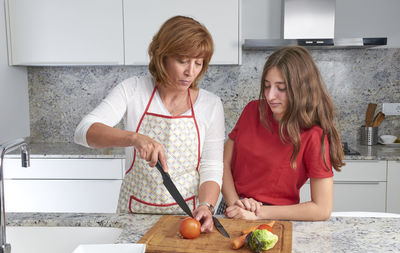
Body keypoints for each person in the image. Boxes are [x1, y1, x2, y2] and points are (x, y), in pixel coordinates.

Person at [74, 16, 225, 232]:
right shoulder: (133, 90)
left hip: (188, 219)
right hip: (134, 216)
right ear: (162, 56)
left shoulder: (210, 105)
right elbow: (83, 131)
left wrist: (206, 205)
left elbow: (211, 166)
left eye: (198, 63)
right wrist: (134, 138)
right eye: (183, 60)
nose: (190, 72)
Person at [218, 46, 344, 221]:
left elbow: (322, 209)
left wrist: (258, 214)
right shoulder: (252, 110)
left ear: (301, 89)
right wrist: (235, 204)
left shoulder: (314, 136)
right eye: (267, 86)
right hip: (233, 208)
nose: (270, 96)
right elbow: (223, 161)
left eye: (281, 88)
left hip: (276, 218)